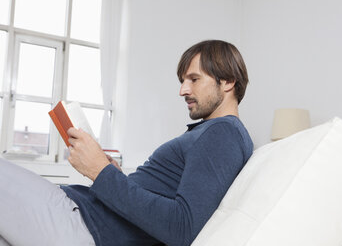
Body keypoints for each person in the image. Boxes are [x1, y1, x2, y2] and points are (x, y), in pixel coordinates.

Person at [0, 40, 253, 246]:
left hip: (84, 224)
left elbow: (182, 228)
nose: (183, 90)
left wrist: (101, 172)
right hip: (84, 214)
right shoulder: (213, 133)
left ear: (228, 81)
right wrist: (117, 175)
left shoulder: (223, 133)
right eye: (182, 81)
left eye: (194, 79)